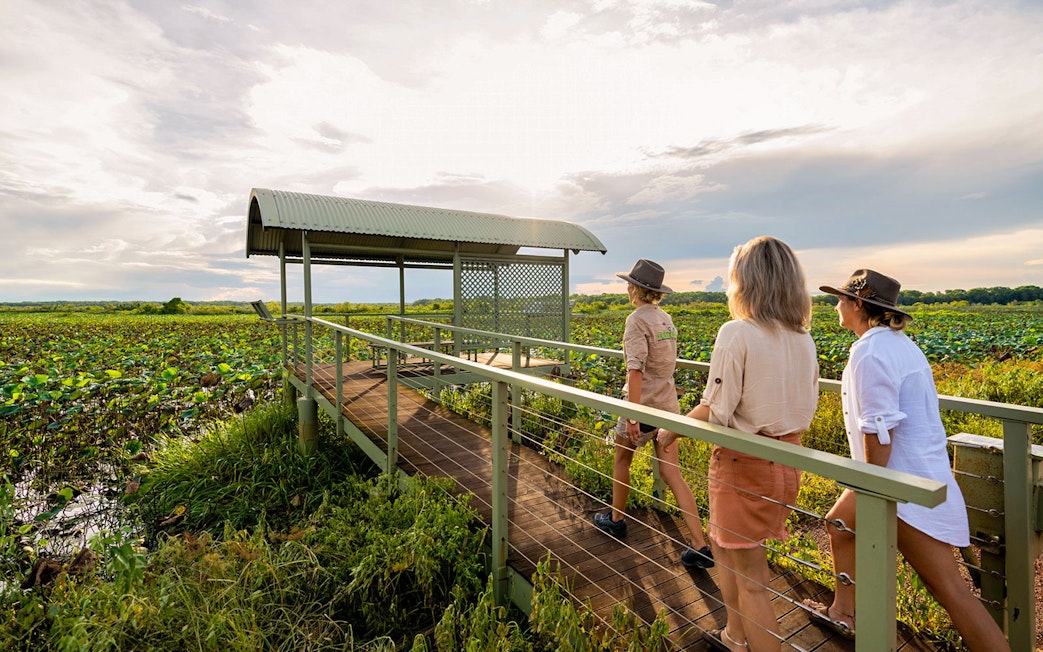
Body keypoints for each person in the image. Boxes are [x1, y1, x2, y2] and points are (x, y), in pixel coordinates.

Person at [804, 269, 1009, 652]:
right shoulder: (899, 344)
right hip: (906, 476)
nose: (836, 306)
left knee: (950, 590)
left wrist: (871, 487)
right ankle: (844, 611)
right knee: (838, 525)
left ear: (859, 304)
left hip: (901, 486)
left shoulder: (870, 350)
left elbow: (880, 429)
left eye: (841, 299)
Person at [660, 236, 819, 651]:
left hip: (744, 463)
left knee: (753, 582)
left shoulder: (737, 333)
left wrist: (667, 429)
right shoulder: (804, 339)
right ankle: (734, 635)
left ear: (744, 282)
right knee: (725, 548)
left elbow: (716, 409)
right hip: (787, 461)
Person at [592, 258, 714, 570]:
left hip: (642, 404)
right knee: (672, 473)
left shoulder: (636, 320)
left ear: (637, 289)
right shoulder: (666, 319)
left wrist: (632, 416)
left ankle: (616, 519)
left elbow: (635, 370)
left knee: (622, 460)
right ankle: (700, 545)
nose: (627, 287)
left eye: (629, 283)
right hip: (668, 405)